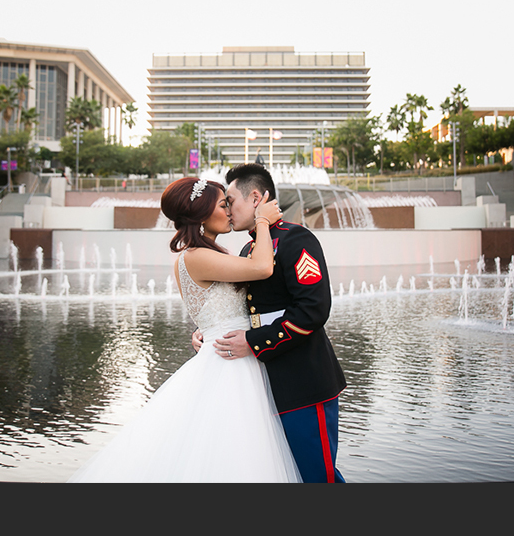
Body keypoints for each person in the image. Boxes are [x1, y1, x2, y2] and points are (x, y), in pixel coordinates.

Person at [68, 176, 299, 483]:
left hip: (233, 352)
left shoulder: (207, 253)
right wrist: (262, 222)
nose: (230, 210)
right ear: (202, 214)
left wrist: (204, 331)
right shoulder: (197, 256)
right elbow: (262, 268)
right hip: (231, 364)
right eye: (223, 204)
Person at [193, 163, 347, 483]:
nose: (228, 210)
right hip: (265, 385)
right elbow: (245, 309)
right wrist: (208, 332)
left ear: (255, 198)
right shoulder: (252, 248)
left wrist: (253, 342)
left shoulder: (295, 239)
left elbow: (313, 310)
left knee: (317, 477)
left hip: (303, 381)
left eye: (231, 201)